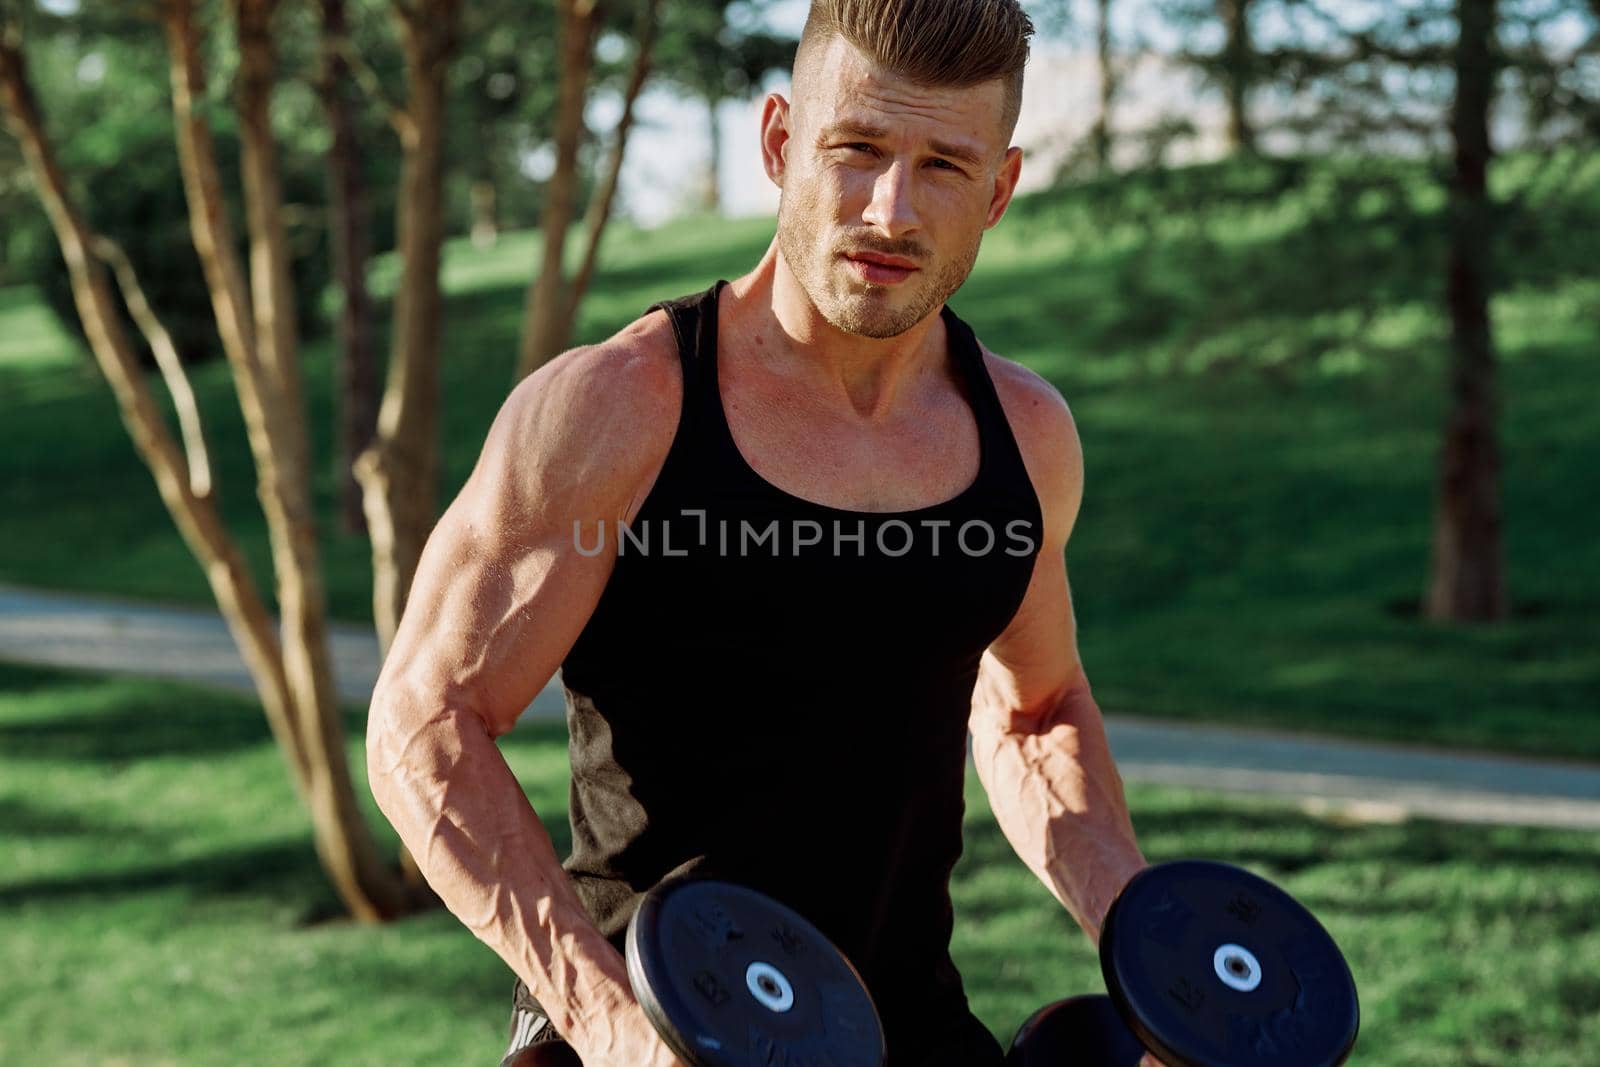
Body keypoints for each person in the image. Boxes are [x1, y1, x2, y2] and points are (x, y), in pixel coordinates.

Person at [366, 1, 1155, 1064]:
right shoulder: (619, 409)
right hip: (654, 1024)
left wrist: (1162, 963)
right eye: (857, 149)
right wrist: (611, 1029)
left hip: (901, 1028)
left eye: (942, 168)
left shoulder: (1022, 435)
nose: (890, 209)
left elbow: (1037, 711)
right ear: (781, 142)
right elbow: (427, 721)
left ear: (999, 191)